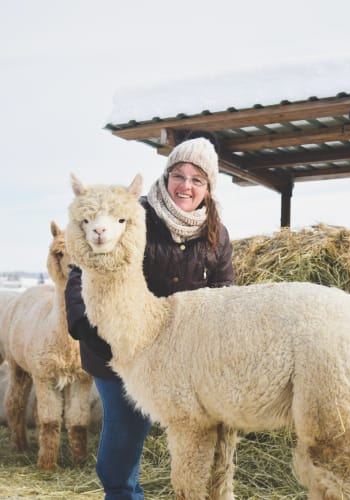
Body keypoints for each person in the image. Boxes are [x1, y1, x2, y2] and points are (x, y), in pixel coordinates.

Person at [65, 133, 235, 499]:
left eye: (197, 179)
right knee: (124, 440)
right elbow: (84, 269)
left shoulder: (215, 234)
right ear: (167, 176)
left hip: (185, 358)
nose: (186, 186)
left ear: (208, 187)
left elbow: (225, 291)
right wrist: (88, 328)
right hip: (120, 348)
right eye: (179, 175)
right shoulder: (132, 214)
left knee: (199, 436)